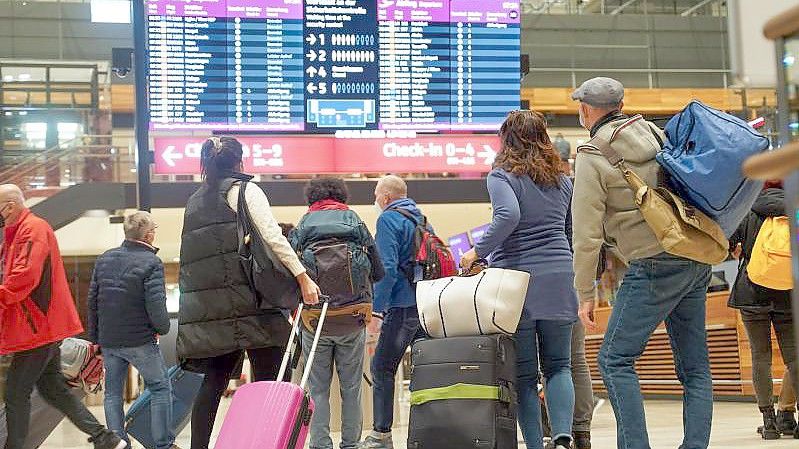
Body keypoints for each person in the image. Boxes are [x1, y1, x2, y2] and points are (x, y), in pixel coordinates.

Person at [572, 77, 713, 449]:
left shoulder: (591, 154)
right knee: (695, 367)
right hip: (692, 255)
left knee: (614, 359)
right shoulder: (654, 132)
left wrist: (585, 292)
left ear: (586, 109)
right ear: (621, 103)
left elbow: (586, 235)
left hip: (652, 264)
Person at [177, 137, 321, 449]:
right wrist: (302, 276)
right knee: (268, 377)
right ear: (240, 162)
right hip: (251, 301)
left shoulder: (195, 201)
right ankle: (265, 442)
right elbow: (272, 237)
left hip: (213, 309)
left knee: (213, 380)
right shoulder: (245, 190)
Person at [460, 110, 578, 449]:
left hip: (517, 282)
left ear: (506, 138)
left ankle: (535, 445)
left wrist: (475, 252)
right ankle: (562, 436)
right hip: (559, 275)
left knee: (525, 376)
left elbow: (508, 215)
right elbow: (569, 231)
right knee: (559, 366)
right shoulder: (562, 180)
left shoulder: (502, 176)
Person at [0, 184, 126, 449]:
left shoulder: (31, 230)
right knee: (52, 388)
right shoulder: (19, 232)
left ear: (9, 206)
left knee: (15, 392)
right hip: (40, 326)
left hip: (37, 328)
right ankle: (105, 438)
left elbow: (23, 279)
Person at [290, 178, 385, 449]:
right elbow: (378, 271)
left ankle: (320, 444)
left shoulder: (303, 225)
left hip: (314, 319)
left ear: (312, 198)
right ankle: (350, 444)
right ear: (341, 195)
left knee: (318, 389)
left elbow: (290, 269)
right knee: (352, 388)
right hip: (352, 318)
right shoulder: (354, 221)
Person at [88, 211, 178, 449]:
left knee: (112, 394)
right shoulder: (151, 262)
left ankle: (119, 444)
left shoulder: (104, 258)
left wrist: (95, 338)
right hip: (140, 340)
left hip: (109, 341)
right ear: (149, 235)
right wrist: (162, 327)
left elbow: (93, 300)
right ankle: (163, 445)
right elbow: (155, 303)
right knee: (160, 388)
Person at [358, 175, 426, 449]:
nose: (375, 200)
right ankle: (425, 430)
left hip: (400, 306)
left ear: (385, 197)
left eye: (376, 195)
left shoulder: (388, 219)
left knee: (382, 367)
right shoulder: (419, 217)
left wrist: (376, 311)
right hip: (423, 303)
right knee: (422, 370)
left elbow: (385, 268)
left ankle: (381, 435)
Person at [728, 181, 798, 440]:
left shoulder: (745, 208)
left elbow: (729, 244)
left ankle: (769, 423)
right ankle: (792, 416)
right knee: (794, 357)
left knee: (760, 357)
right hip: (787, 293)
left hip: (752, 292)